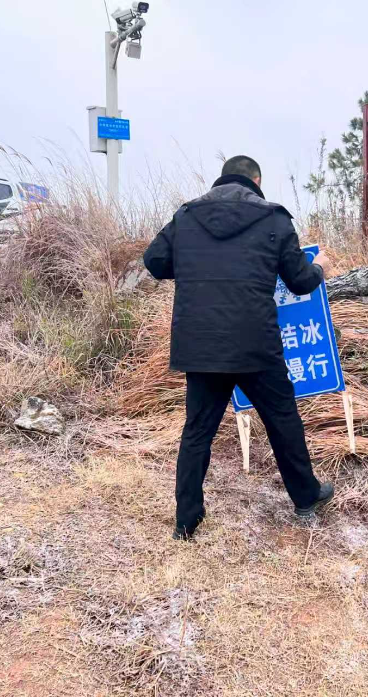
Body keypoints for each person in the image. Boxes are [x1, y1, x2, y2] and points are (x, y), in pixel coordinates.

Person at [144, 155, 335, 540]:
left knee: (197, 430)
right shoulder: (273, 218)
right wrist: (321, 268)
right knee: (282, 420)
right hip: (256, 345)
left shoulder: (187, 216)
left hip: (202, 345)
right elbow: (299, 281)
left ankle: (186, 520)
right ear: (256, 181)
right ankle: (305, 498)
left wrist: (194, 265)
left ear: (222, 178)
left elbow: (155, 260)